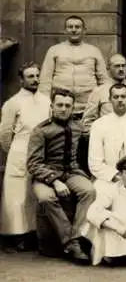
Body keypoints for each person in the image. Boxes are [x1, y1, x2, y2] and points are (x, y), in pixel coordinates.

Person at [27, 88, 96, 263]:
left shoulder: (78, 127)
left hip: (71, 173)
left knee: (89, 191)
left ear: (73, 108)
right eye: (59, 105)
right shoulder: (41, 130)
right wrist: (54, 181)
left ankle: (78, 236)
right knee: (46, 198)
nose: (63, 109)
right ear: (52, 106)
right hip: (46, 176)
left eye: (67, 105)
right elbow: (33, 164)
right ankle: (71, 242)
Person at [0, 62, 51, 251]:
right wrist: (14, 151)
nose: (35, 80)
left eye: (37, 76)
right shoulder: (12, 103)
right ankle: (15, 236)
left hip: (40, 152)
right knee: (16, 196)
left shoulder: (46, 100)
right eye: (30, 76)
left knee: (34, 194)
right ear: (21, 79)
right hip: (19, 151)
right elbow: (5, 135)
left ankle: (34, 235)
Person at [39, 15, 109, 119]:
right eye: (70, 27)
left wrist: (104, 104)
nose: (74, 30)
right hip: (61, 105)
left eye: (77, 27)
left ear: (84, 30)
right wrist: (45, 105)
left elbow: (104, 81)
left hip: (89, 105)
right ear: (65, 30)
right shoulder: (54, 50)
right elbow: (45, 80)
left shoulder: (94, 51)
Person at [88, 83, 126, 195]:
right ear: (109, 100)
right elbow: (94, 163)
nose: (120, 100)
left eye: (123, 96)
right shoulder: (98, 125)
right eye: (116, 97)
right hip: (108, 179)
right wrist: (116, 177)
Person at [82, 54, 126, 128]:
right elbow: (87, 121)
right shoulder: (99, 91)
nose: (121, 69)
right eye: (117, 66)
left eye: (123, 66)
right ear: (108, 68)